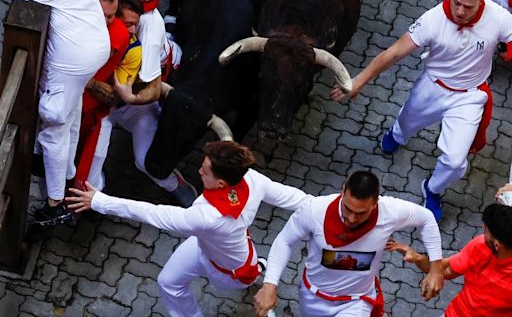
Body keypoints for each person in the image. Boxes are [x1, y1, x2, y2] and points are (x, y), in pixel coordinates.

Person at [331, 0, 512, 222]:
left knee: (456, 161)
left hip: (469, 97)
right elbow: (394, 53)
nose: (459, 11)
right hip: (432, 87)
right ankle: (396, 133)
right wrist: (359, 80)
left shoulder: (499, 18)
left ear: (481, 1)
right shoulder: (433, 20)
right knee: (407, 122)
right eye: (456, 2)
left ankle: (432, 188)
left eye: (467, 7)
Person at [66, 141, 309, 317]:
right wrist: (321, 204)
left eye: (205, 170)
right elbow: (293, 198)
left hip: (226, 271)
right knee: (168, 282)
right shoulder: (253, 180)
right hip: (206, 245)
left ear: (222, 183)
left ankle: (260, 282)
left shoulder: (204, 217)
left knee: (247, 277)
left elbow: (154, 213)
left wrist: (99, 201)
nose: (199, 171)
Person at [4, 0, 110, 225]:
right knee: (71, 106)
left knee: (53, 121)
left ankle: (55, 203)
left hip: (70, 53)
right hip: (95, 36)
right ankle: (67, 172)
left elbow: (23, 10)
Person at [253, 171, 444, 317]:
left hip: (356, 302)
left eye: (361, 213)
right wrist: (270, 284)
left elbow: (426, 218)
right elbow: (285, 241)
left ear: (375, 202)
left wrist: (435, 268)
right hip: (312, 296)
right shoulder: (315, 210)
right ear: (343, 191)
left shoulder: (391, 211)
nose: (351, 218)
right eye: (347, 208)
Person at [109, 0, 194, 207]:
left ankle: (176, 184)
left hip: (138, 102)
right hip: (110, 91)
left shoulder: (150, 30)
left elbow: (152, 88)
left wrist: (129, 98)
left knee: (144, 160)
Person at [386, 190, 512, 317]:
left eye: (486, 231)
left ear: (497, 245)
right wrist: (417, 257)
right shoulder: (480, 246)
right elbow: (444, 270)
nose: (482, 233)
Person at [75, 0, 144, 191]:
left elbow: (112, 96)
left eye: (136, 25)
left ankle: (94, 196)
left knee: (93, 161)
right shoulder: (86, 31)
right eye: (128, 24)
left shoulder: (133, 51)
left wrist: (85, 81)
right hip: (73, 102)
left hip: (99, 113)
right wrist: (91, 83)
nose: (131, 32)